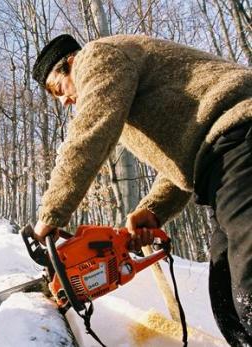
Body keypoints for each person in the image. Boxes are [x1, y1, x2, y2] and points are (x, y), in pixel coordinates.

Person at [31, 34, 252, 345]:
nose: (66, 101)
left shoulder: (96, 56)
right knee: (228, 297)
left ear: (69, 63)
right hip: (223, 161)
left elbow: (89, 135)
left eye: (59, 89)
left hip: (242, 135)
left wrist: (51, 213)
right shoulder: (125, 79)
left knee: (249, 280)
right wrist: (153, 209)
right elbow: (187, 153)